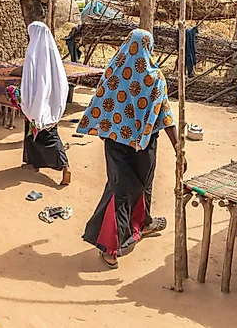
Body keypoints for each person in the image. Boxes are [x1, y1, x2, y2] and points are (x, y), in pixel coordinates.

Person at [76, 29, 179, 269]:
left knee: (121, 189)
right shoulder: (155, 77)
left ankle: (141, 224)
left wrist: (105, 131)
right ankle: (110, 246)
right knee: (133, 188)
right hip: (144, 145)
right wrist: (177, 146)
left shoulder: (114, 71)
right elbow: (165, 114)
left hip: (116, 142)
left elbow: (100, 104)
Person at [9, 21, 72, 186]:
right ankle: (35, 163)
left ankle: (64, 166)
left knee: (40, 132)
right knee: (47, 132)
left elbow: (29, 77)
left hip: (37, 100)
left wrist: (29, 99)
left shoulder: (32, 53)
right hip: (51, 100)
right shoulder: (53, 52)